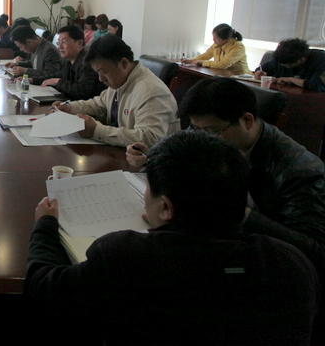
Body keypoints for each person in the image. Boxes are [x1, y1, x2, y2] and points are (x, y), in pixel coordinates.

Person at [26, 130, 319, 345]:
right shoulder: (292, 266)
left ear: (166, 207)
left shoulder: (128, 257)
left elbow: (44, 288)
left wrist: (46, 226)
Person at [125, 76, 325, 281]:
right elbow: (182, 153)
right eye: (196, 129)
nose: (202, 137)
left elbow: (314, 252)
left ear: (247, 120)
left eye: (211, 131)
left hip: (264, 271)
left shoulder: (300, 171)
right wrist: (152, 157)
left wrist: (238, 213)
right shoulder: (212, 135)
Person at [52, 35, 179, 147]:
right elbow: (99, 104)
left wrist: (96, 130)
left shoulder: (152, 92)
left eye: (104, 72)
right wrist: (69, 107)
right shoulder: (120, 81)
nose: (101, 79)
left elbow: (149, 138)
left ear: (124, 63)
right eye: (98, 73)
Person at [41, 25, 106, 100]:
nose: (60, 47)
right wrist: (32, 80)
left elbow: (82, 91)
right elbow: (54, 77)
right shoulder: (69, 61)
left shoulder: (88, 62)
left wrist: (58, 82)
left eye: (64, 42)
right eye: (59, 42)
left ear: (79, 43)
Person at [254, 38, 325, 91]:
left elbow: (317, 85)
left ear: (302, 59)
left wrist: (290, 79)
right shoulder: (282, 57)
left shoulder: (321, 60)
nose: (282, 66)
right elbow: (262, 69)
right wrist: (260, 73)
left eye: (287, 65)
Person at [182, 23, 249, 75]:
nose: (213, 39)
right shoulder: (217, 44)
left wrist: (203, 62)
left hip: (239, 78)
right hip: (223, 75)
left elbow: (223, 64)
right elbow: (205, 56)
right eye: (213, 37)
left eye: (216, 38)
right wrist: (191, 60)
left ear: (227, 39)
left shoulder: (238, 47)